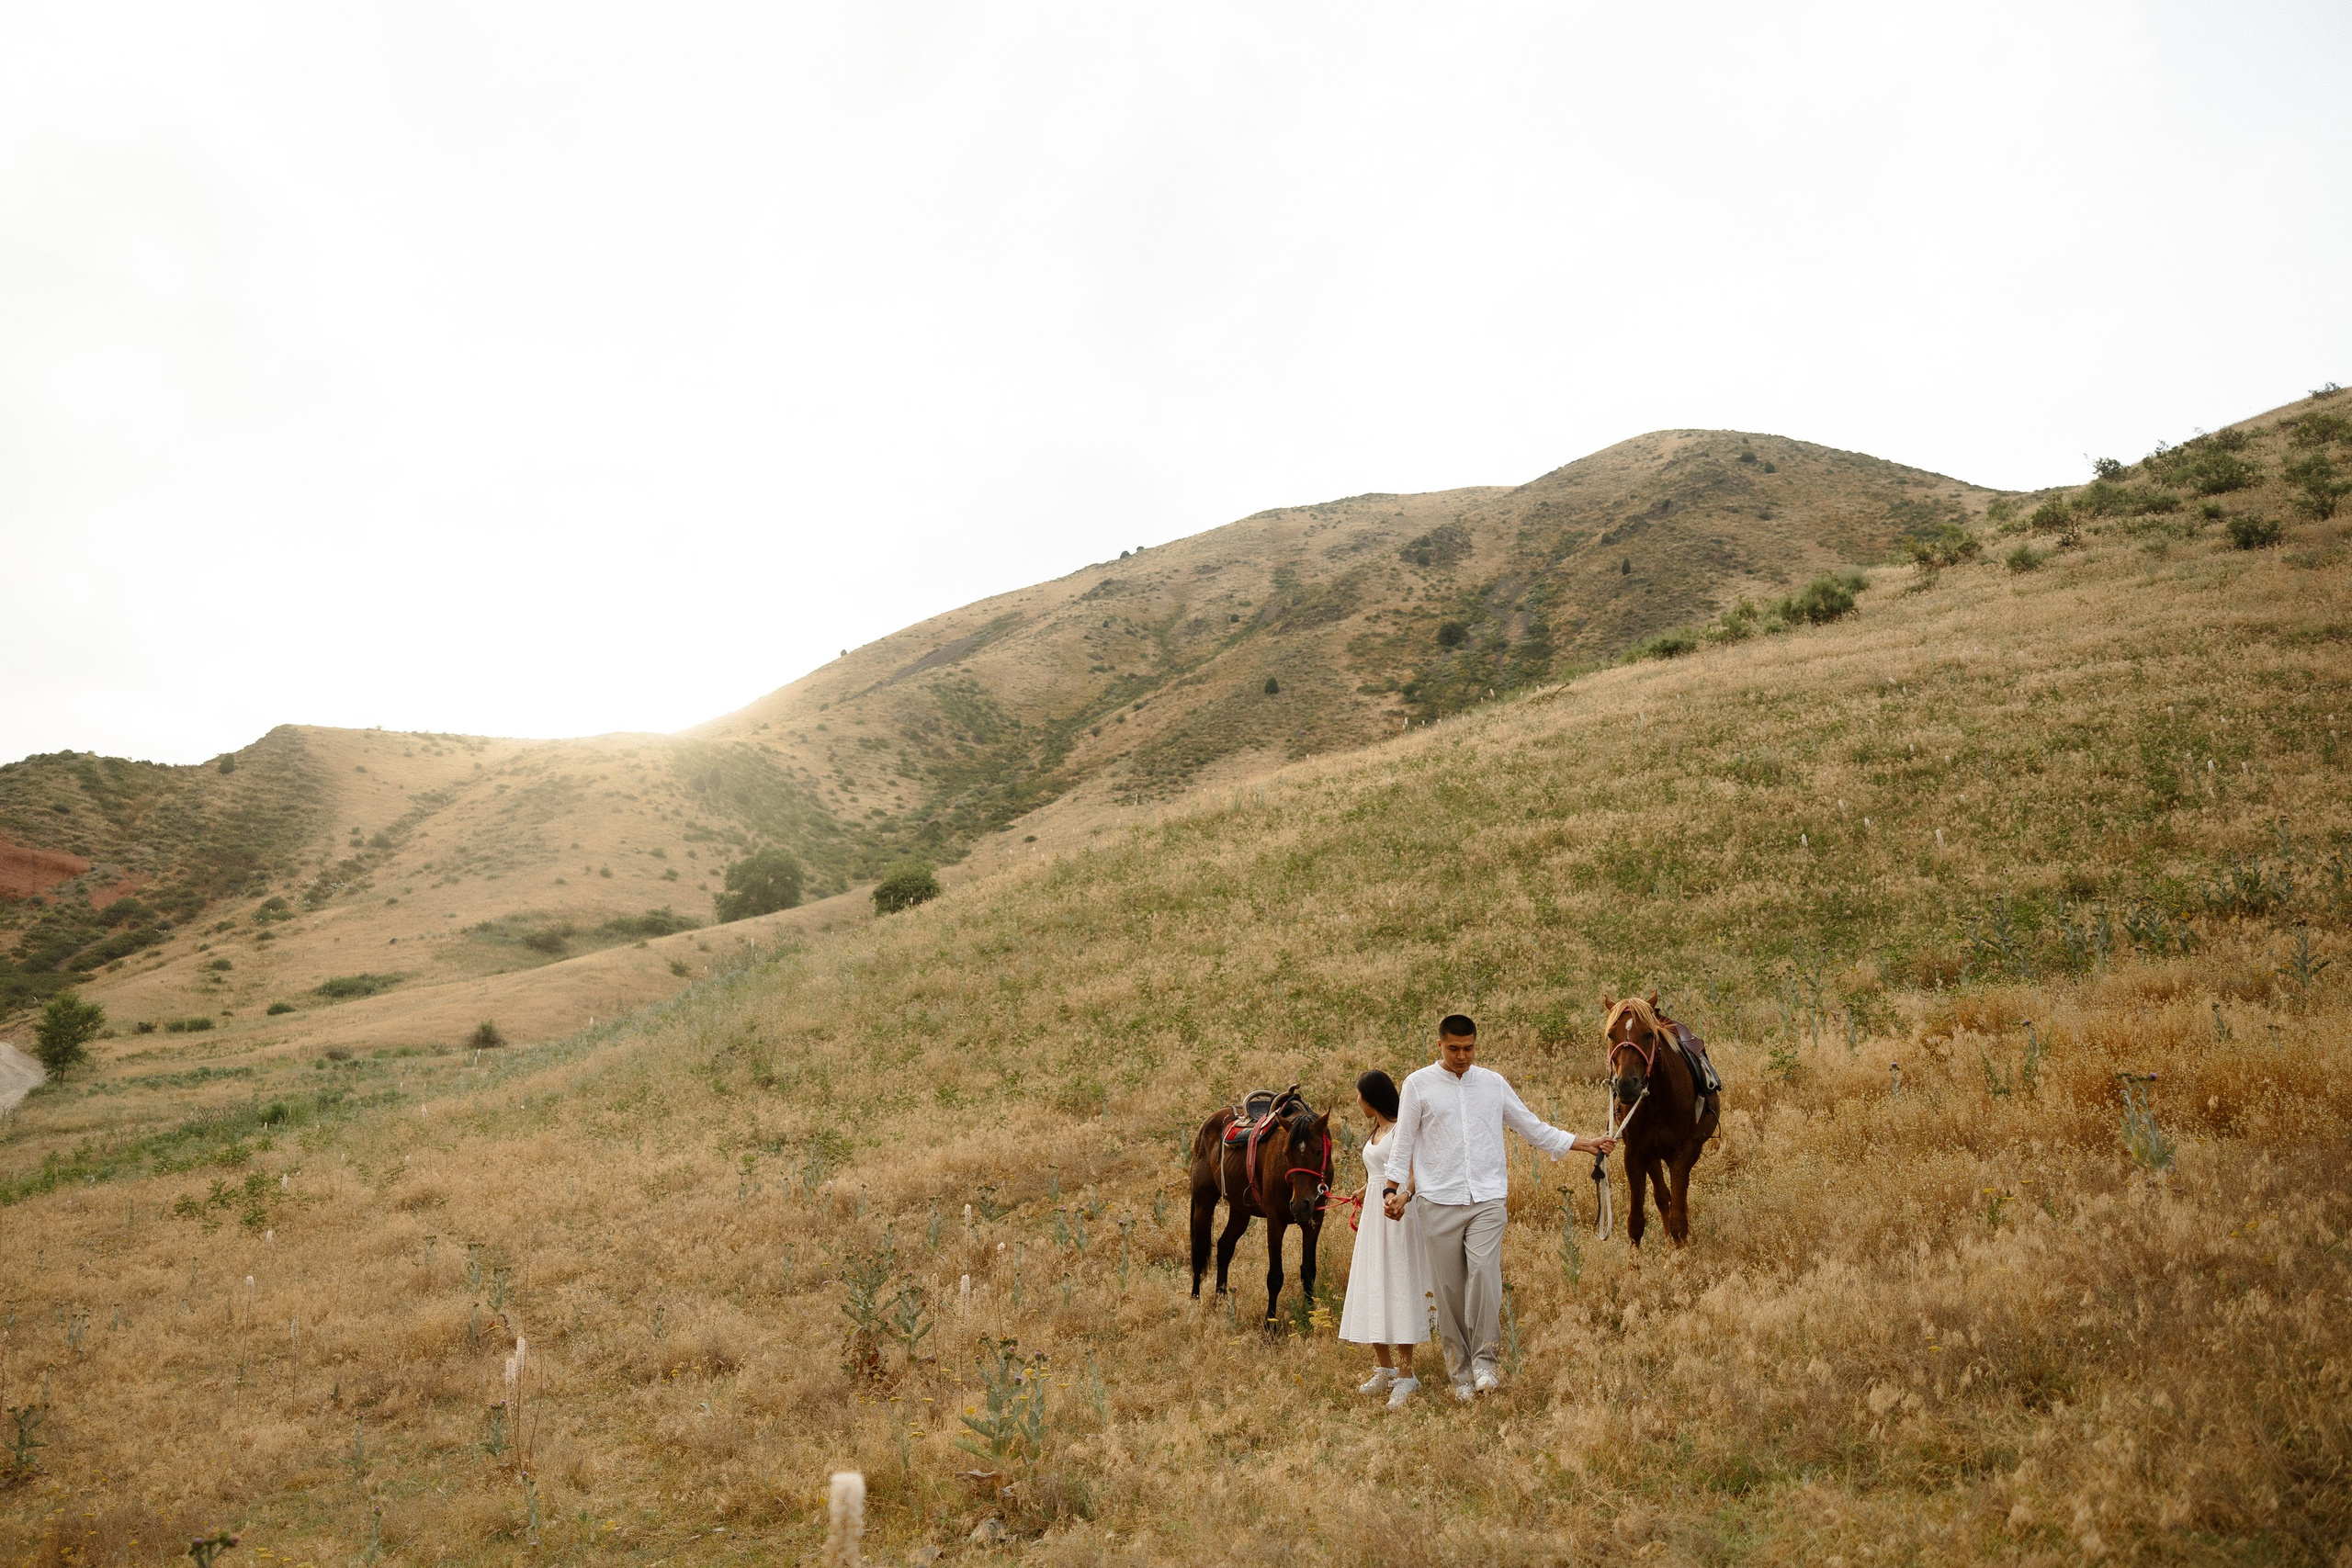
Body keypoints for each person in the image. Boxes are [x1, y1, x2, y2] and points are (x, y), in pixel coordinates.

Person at [1383, 1014, 1615, 1402]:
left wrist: (1583, 1143)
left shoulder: (1492, 1084)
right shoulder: (1418, 1085)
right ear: (1439, 1046)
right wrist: (1391, 1191)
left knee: (1485, 1276)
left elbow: (1532, 1127)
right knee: (1449, 1291)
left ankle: (1485, 1362)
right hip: (1437, 1200)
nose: (1462, 1056)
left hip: (1488, 1199)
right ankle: (1459, 1374)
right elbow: (1403, 1143)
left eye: (1469, 1048)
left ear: (1476, 1044)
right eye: (1454, 1049)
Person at [1336, 1069, 1429, 1409]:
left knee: (1399, 1284)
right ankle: (1385, 1368)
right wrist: (1366, 1189)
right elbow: (1379, 1171)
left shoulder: (1403, 1127)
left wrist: (1401, 1197)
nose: (1357, 1101)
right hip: (1375, 1212)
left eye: (1359, 1094)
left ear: (1371, 1096)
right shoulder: (1377, 1129)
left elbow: (1415, 1173)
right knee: (1374, 1283)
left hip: (1398, 1213)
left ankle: (1407, 1374)